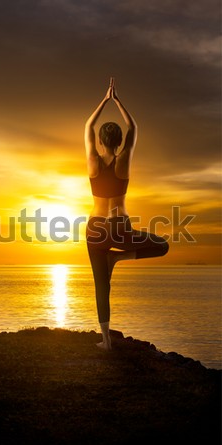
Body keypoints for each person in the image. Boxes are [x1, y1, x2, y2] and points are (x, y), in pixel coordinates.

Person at [85, 78, 169, 350]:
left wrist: (103, 100)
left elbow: (88, 127)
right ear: (120, 141)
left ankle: (106, 341)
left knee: (101, 285)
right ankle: (118, 256)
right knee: (162, 246)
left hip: (95, 227)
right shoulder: (124, 160)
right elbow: (133, 127)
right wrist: (118, 100)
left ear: (99, 141)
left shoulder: (93, 162)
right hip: (120, 225)